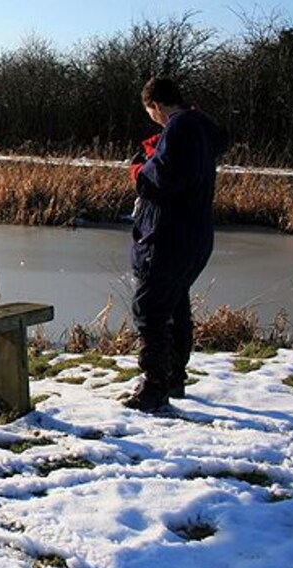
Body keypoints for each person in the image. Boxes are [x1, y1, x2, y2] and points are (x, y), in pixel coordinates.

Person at [123, 77, 228, 412]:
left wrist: (139, 170)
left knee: (150, 310)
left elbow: (161, 179)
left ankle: (154, 386)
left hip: (167, 236)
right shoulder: (199, 129)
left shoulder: (180, 128)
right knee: (175, 306)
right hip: (193, 235)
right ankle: (174, 379)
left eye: (150, 112)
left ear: (155, 106)